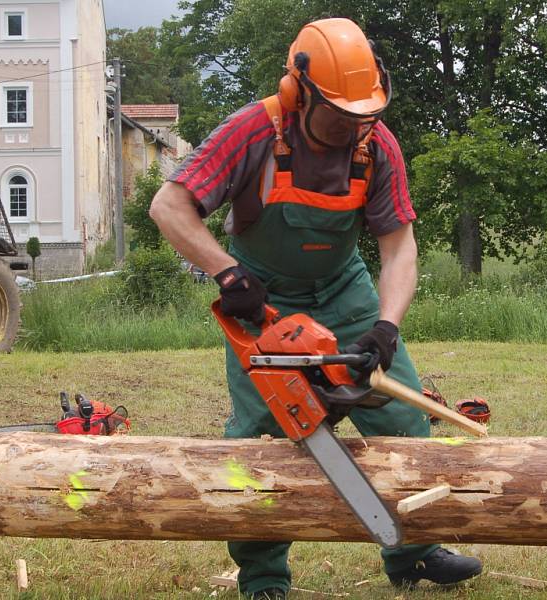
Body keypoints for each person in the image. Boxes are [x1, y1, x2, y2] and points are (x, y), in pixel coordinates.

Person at [150, 17, 482, 600]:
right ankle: (263, 576)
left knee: (402, 417)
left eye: (365, 113)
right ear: (299, 91)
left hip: (343, 290)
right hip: (263, 296)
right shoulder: (252, 131)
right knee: (261, 436)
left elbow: (400, 247)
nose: (355, 125)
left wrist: (386, 324)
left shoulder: (376, 143)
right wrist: (227, 272)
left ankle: (414, 553)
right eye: (342, 113)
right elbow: (170, 207)